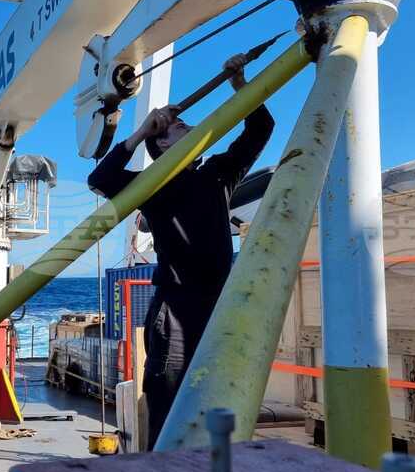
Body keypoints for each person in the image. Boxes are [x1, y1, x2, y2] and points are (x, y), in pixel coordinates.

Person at [87, 54, 275, 449]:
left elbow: (260, 127)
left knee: (217, 401)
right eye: (175, 127)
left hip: (218, 306)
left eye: (183, 123)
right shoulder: (153, 183)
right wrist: (141, 130)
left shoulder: (218, 175)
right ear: (162, 145)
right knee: (168, 403)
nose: (185, 125)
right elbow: (100, 179)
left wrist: (239, 83)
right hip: (174, 310)